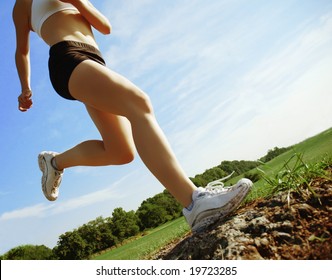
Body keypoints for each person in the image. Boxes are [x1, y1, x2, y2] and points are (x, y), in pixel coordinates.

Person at [13, 0, 253, 233]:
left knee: (120, 151)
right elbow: (22, 51)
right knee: (139, 103)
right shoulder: (23, 4)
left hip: (93, 59)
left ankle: (55, 162)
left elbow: (104, 27)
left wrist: (78, 1)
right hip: (67, 58)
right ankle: (194, 202)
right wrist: (25, 87)